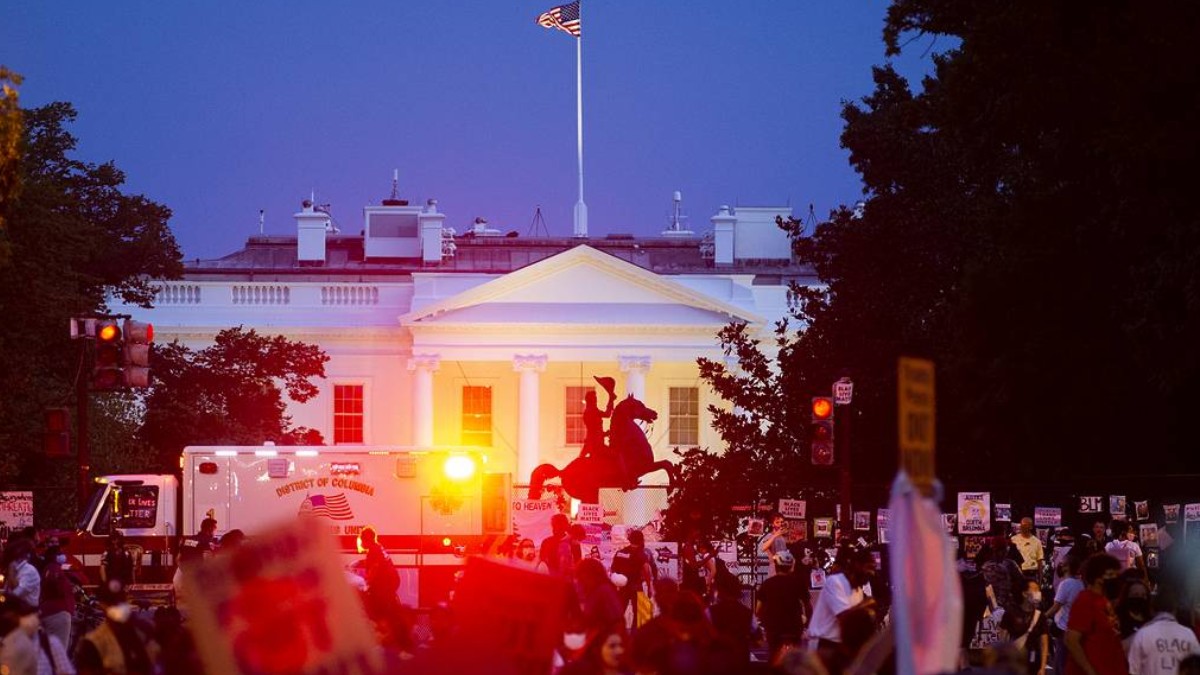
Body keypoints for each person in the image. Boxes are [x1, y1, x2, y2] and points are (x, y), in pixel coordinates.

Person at [75, 579, 159, 675]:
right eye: (112, 603)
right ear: (102, 605)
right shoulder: (93, 643)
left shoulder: (144, 631)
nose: (118, 607)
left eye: (120, 601)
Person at [1064, 553, 1127, 675]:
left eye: (1116, 574)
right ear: (1097, 577)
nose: (1115, 578)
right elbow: (1071, 640)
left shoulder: (1105, 601)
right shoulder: (1086, 600)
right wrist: (1091, 671)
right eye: (1110, 574)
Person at [807, 546, 875, 653]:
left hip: (838, 644)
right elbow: (846, 619)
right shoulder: (835, 582)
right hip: (824, 644)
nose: (872, 573)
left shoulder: (858, 591)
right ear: (857, 566)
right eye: (869, 567)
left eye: (873, 569)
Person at [1126, 584, 1199, 675]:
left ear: (1152, 609)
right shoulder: (1189, 634)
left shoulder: (1143, 634)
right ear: (1175, 610)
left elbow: (1133, 671)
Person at [755, 550, 810, 663]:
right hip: (794, 627)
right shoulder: (798, 583)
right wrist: (807, 622)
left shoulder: (767, 584)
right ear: (790, 566)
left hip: (774, 627)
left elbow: (758, 609)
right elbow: (807, 605)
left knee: (773, 653)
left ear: (776, 566)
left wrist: (762, 621)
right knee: (797, 658)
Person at [39, 542, 87, 652]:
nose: (63, 555)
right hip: (58, 613)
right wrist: (70, 589)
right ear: (54, 557)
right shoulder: (54, 569)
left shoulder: (49, 568)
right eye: (60, 553)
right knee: (59, 651)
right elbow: (55, 585)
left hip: (51, 611)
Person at [1046, 550, 1087, 675]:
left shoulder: (1065, 584)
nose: (1060, 565)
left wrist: (1040, 617)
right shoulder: (1080, 583)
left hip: (1064, 629)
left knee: (1061, 664)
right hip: (1075, 628)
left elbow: (1056, 607)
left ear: (1068, 567)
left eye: (1063, 563)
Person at [610, 530, 655, 631]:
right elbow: (646, 570)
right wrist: (649, 586)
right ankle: (637, 637)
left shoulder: (620, 552)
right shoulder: (641, 554)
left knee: (619, 612)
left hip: (622, 587)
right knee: (642, 614)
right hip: (637, 586)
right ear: (641, 541)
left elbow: (613, 568)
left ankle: (617, 633)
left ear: (630, 540)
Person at [576, 558, 624, 637]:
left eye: (581, 577)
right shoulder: (593, 591)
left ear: (590, 575)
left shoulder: (604, 591)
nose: (580, 581)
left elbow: (617, 621)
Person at [559, 628, 631, 675]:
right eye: (612, 646)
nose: (619, 651)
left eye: (621, 645)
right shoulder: (581, 672)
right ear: (597, 650)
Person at [2, 537, 41, 608]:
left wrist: (11, 572)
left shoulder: (29, 571)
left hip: (27, 615)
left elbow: (14, 595)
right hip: (14, 613)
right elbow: (6, 591)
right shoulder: (15, 570)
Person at [539, 513, 575, 578]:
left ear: (565, 526)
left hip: (566, 579)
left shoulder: (573, 542)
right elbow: (542, 561)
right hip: (552, 578)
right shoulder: (546, 542)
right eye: (554, 525)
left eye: (559, 525)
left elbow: (576, 563)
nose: (555, 528)